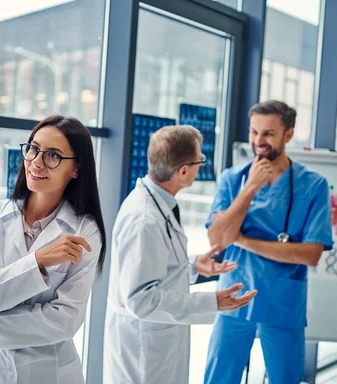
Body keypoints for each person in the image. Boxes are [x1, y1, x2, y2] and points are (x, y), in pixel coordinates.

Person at [103, 125, 257, 384]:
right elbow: (141, 299)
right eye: (200, 160)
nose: (200, 166)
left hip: (156, 345)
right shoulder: (144, 219)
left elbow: (154, 269)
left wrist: (194, 266)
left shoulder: (157, 205)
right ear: (184, 170)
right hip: (142, 354)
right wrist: (212, 302)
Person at [0, 115, 106, 384]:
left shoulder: (85, 231)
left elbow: (65, 321)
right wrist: (39, 260)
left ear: (76, 169)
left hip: (50, 373)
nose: (36, 162)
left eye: (53, 156)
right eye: (33, 149)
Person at [203, 100, 333, 384]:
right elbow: (217, 240)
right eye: (254, 132)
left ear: (288, 134)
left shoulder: (314, 185)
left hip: (282, 303)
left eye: (268, 134)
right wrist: (250, 188)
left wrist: (242, 240)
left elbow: (311, 254)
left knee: (285, 379)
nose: (258, 141)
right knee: (218, 379)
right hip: (233, 298)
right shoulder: (232, 180)